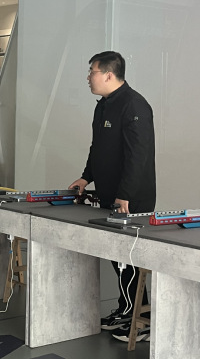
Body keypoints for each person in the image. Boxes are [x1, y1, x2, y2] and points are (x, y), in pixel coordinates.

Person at [68, 51, 155, 341]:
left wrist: (124, 195)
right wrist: (86, 177)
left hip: (130, 200)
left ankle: (141, 321)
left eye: (91, 71)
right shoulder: (104, 106)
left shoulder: (134, 105)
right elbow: (98, 148)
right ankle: (126, 310)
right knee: (117, 259)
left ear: (108, 74)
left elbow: (138, 156)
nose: (88, 77)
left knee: (128, 259)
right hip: (109, 196)